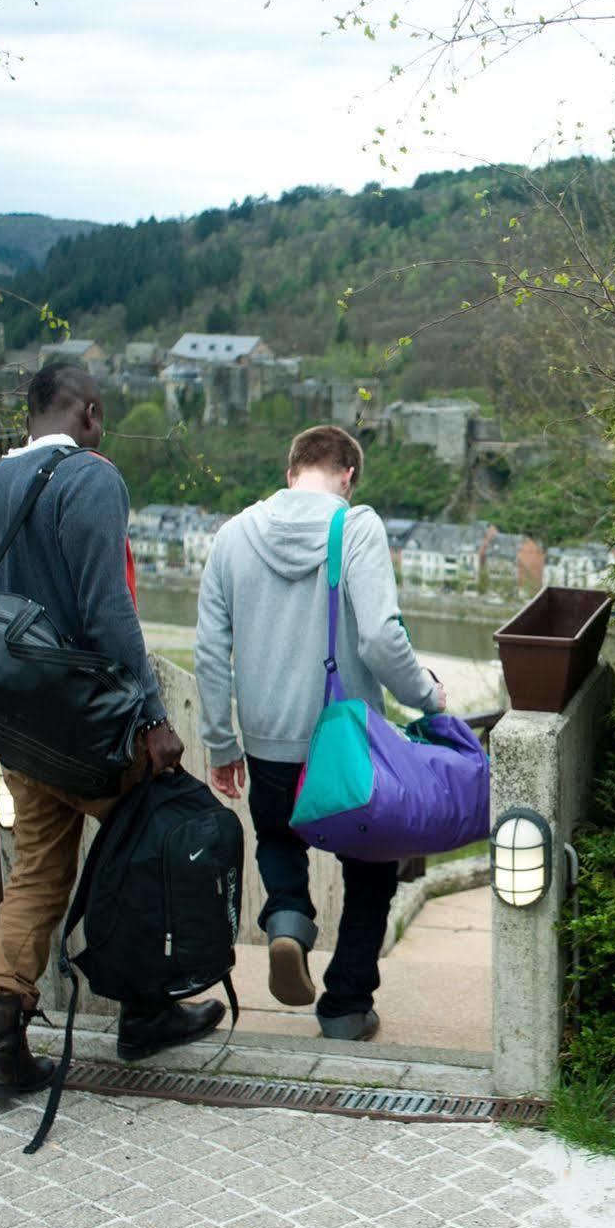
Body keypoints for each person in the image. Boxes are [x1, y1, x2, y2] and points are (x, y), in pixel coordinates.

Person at [0, 363, 224, 1097]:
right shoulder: (91, 478)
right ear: (87, 412)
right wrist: (151, 716)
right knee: (153, 849)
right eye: (98, 415)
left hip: (20, 729)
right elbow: (108, 608)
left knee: (40, 872)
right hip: (92, 725)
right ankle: (145, 1013)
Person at [194, 426, 446, 1043]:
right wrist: (428, 696)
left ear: (291, 472)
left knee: (279, 839)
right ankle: (344, 1006)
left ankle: (287, 919)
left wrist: (222, 744)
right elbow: (381, 639)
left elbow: (209, 652)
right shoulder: (355, 527)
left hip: (266, 745)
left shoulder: (231, 536)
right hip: (346, 745)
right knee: (371, 868)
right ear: (348, 475)